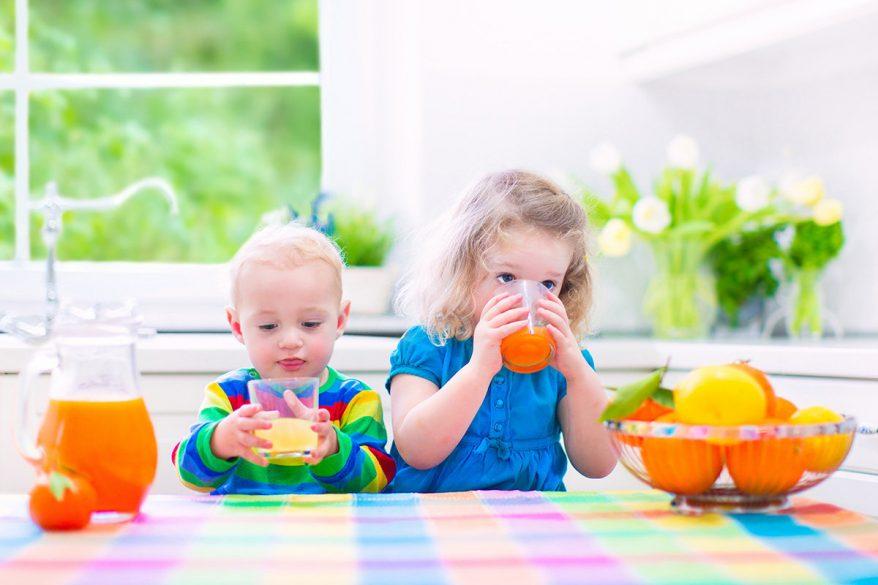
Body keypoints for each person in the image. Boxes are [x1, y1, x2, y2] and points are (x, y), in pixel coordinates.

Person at [387, 170, 617, 492]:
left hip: (532, 526)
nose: (527, 300)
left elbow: (598, 464)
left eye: (548, 284)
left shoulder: (565, 363)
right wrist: (479, 370)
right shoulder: (429, 345)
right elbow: (417, 450)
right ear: (463, 270)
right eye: (507, 278)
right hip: (436, 520)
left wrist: (577, 373)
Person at [173, 223, 395, 494]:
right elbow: (190, 476)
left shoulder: (355, 400)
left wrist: (333, 448)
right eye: (268, 326)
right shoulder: (228, 396)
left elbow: (376, 482)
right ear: (238, 327)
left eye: (310, 323)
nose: (290, 341)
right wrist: (219, 441)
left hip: (330, 531)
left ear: (339, 320)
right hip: (244, 531)